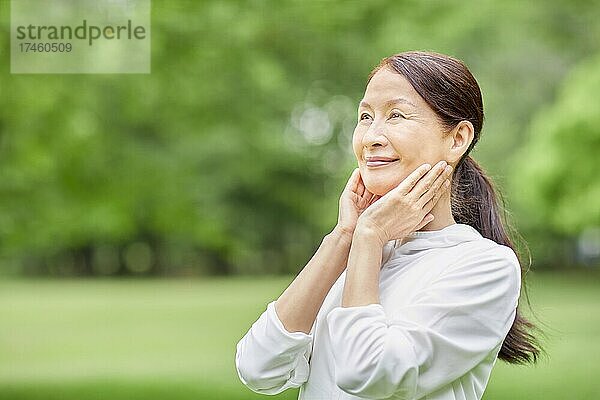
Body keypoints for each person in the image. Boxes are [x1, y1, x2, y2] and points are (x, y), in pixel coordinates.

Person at [235, 50, 542, 400]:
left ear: (457, 139)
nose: (371, 137)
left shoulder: (485, 266)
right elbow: (258, 369)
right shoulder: (359, 252)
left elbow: (368, 373)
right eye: (365, 117)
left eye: (396, 115)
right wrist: (344, 237)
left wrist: (368, 237)